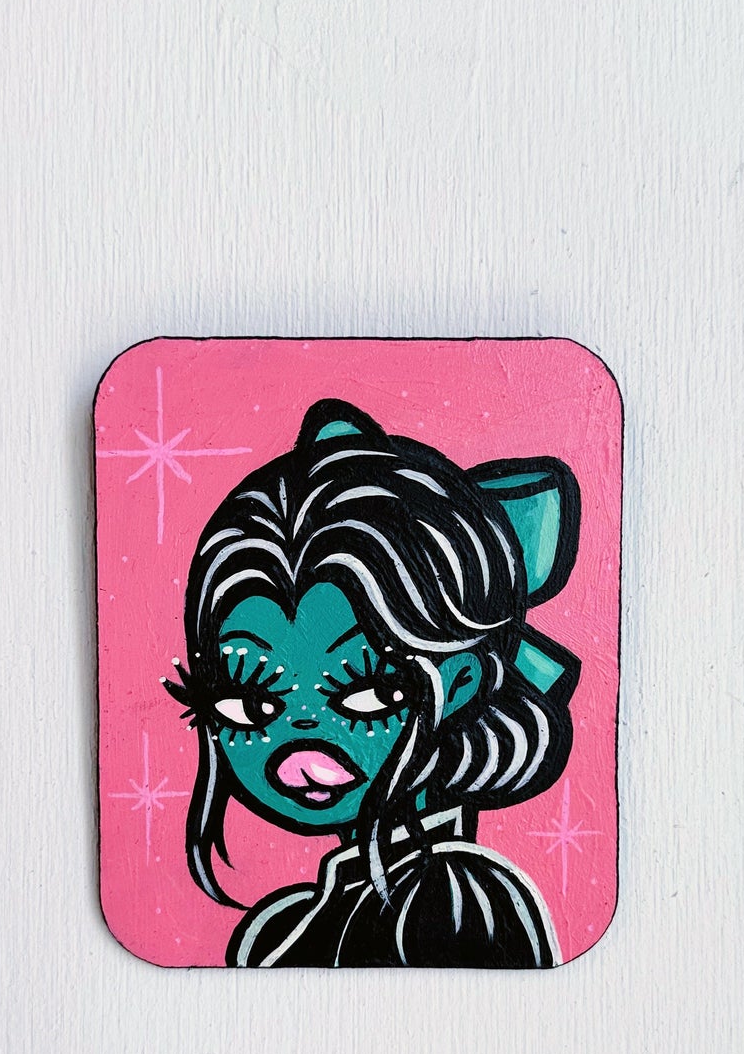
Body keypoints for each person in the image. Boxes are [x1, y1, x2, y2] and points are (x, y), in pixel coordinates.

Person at [165, 399, 582, 967]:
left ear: (462, 684)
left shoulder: (457, 905)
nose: (303, 727)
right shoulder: (284, 923)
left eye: (369, 694)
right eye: (250, 703)